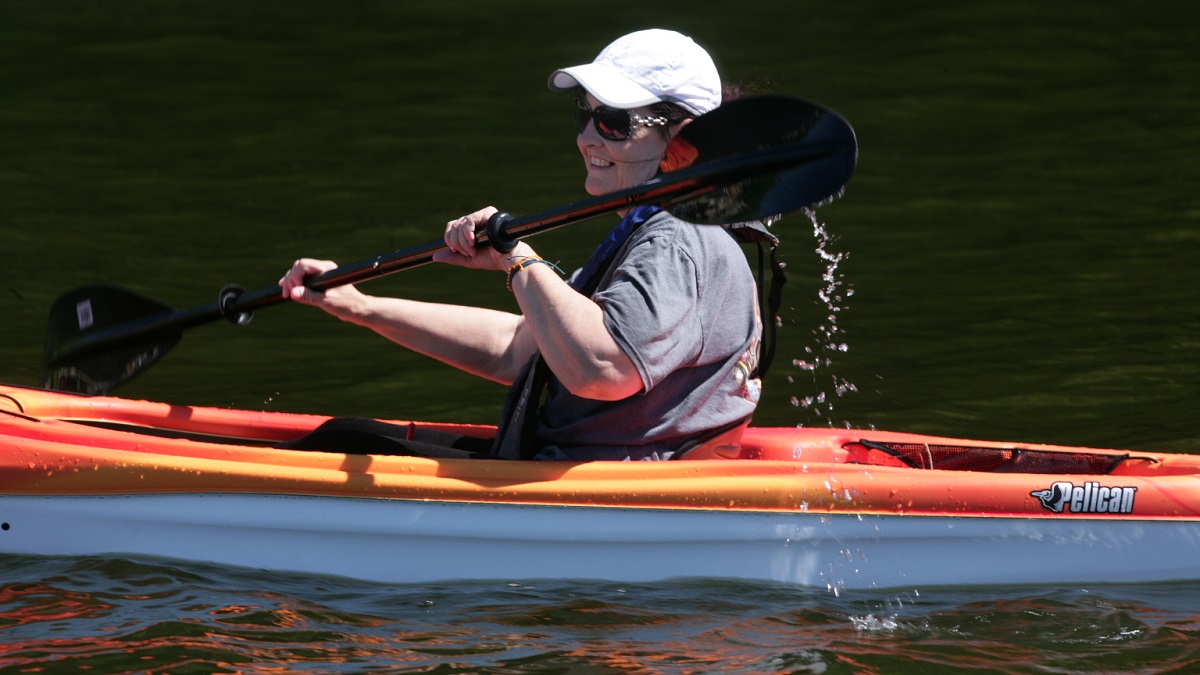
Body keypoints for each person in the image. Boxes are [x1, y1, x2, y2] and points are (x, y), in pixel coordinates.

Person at [279, 29, 764, 461]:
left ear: (680, 136)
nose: (589, 138)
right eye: (585, 114)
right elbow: (515, 349)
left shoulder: (676, 239)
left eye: (614, 121)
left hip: (605, 485)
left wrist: (519, 259)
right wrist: (359, 307)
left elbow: (603, 368)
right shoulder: (662, 229)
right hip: (576, 464)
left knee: (342, 441)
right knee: (346, 434)